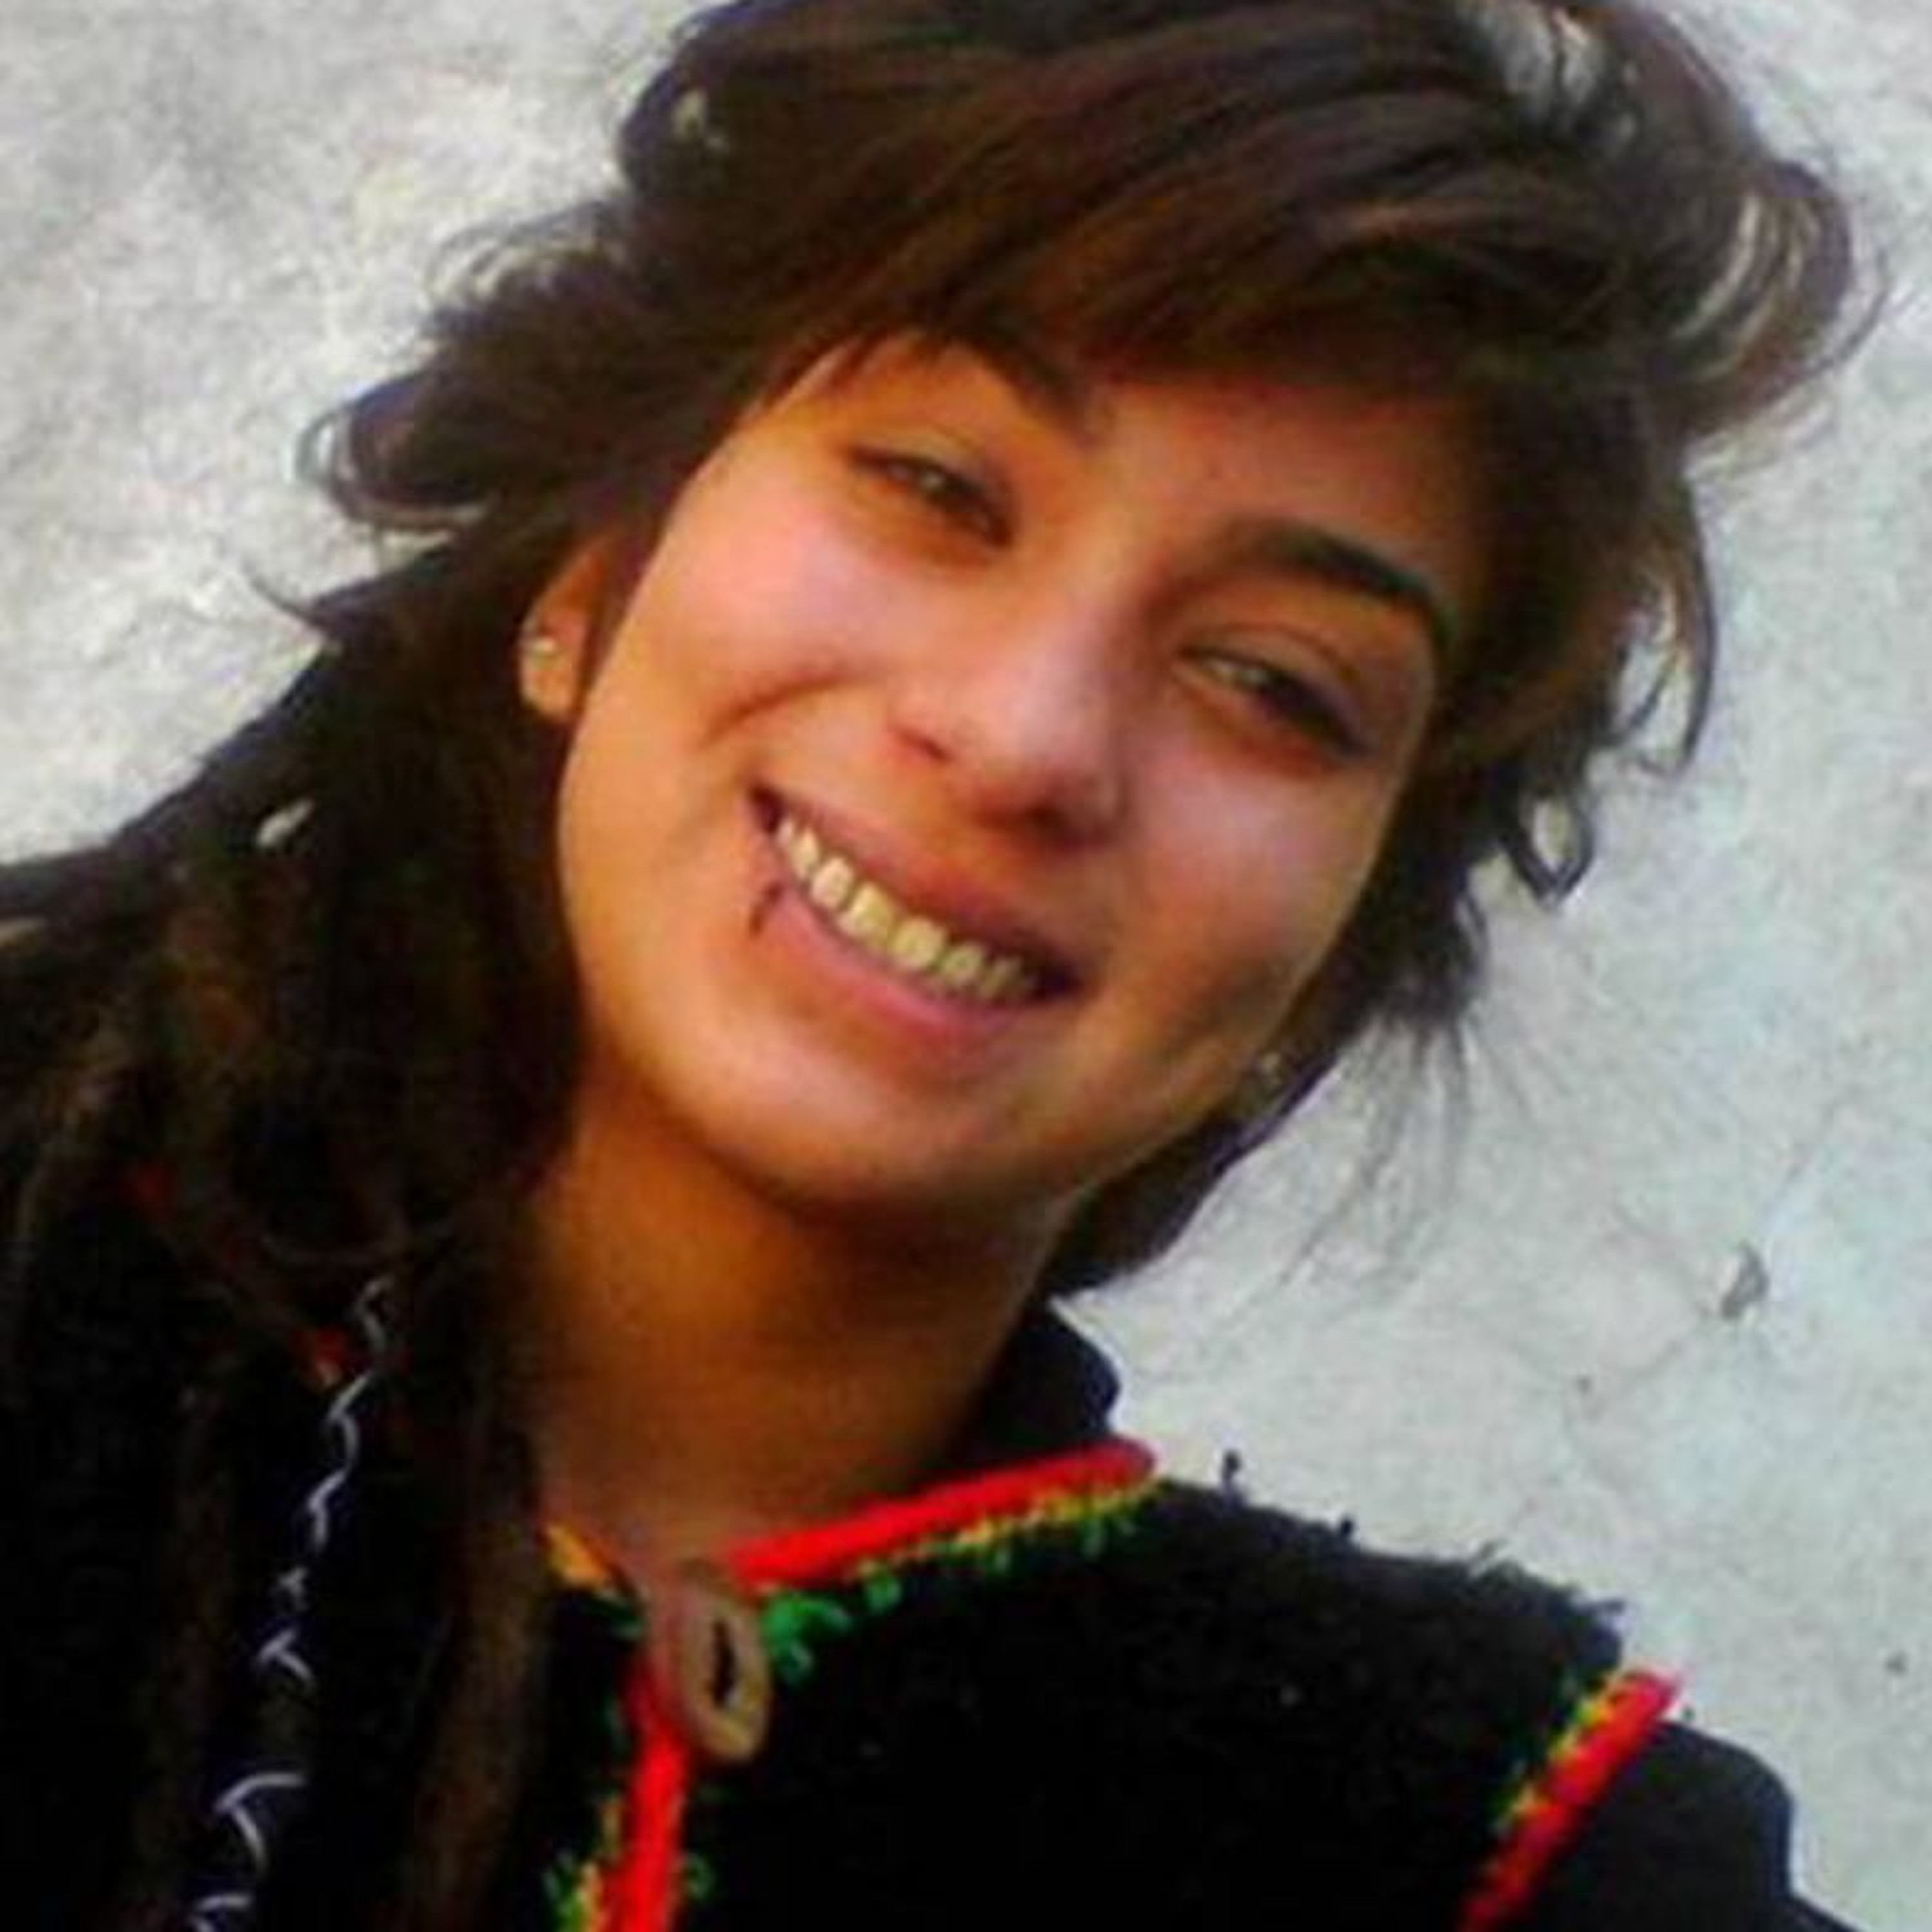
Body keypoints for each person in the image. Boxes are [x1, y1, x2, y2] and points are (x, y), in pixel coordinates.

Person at [0, 0, 1868, 1926]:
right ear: (591, 573)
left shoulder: (1468, 1851)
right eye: (939, 491)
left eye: (1270, 682)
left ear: (1341, 943)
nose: (1026, 738)